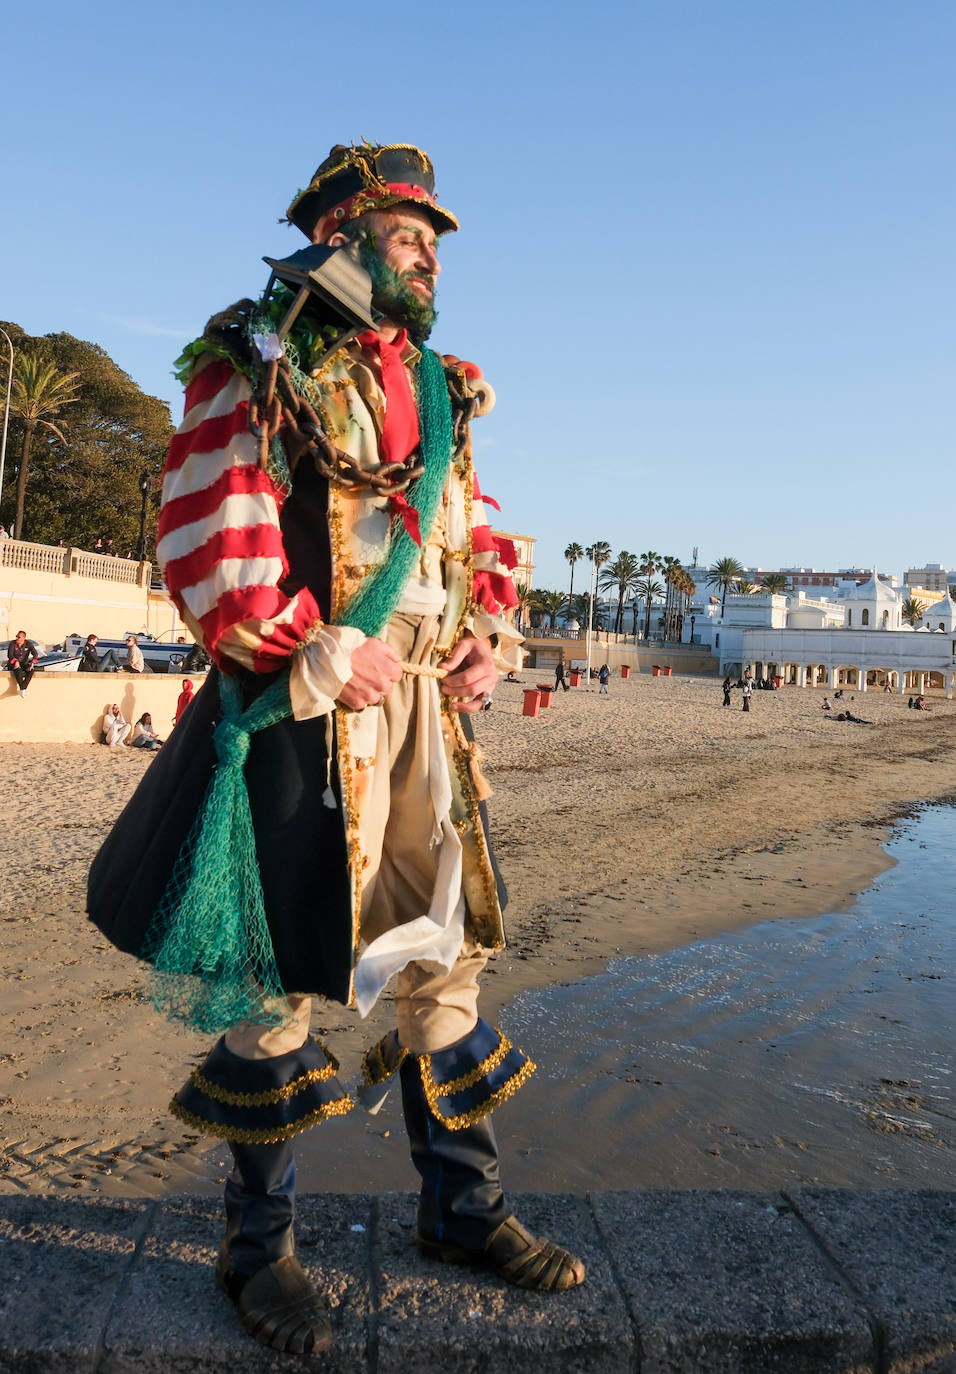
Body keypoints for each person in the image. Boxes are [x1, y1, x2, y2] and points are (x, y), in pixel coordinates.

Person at [88, 141, 582, 1357]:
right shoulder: (256, 354)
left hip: (423, 712)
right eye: (405, 232)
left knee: (442, 957)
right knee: (279, 982)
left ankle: (462, 1213)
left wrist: (484, 640)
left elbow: (465, 540)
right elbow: (208, 524)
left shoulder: (446, 390)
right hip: (305, 709)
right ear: (340, 232)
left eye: (432, 241)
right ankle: (258, 1253)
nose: (425, 254)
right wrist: (306, 648)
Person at [7, 631, 37, 697]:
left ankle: (22, 688)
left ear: (23, 638)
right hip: (13, 664)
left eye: (18, 637)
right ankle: (23, 689)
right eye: (16, 636)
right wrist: (16, 661)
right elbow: (10, 655)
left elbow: (35, 653)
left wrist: (32, 662)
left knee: (31, 669)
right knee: (17, 667)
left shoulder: (28, 644)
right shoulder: (12, 643)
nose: (17, 638)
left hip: (23, 663)